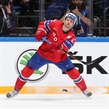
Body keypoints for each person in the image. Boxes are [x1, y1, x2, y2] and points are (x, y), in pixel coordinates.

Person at [6, 13, 92, 98]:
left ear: (73, 24)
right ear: (65, 20)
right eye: (67, 20)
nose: (68, 22)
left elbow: (62, 50)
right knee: (26, 71)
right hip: (43, 53)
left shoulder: (71, 37)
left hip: (58, 58)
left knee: (73, 72)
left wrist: (59, 47)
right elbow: (43, 24)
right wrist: (41, 31)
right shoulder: (55, 23)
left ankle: (84, 90)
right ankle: (16, 90)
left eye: (71, 21)